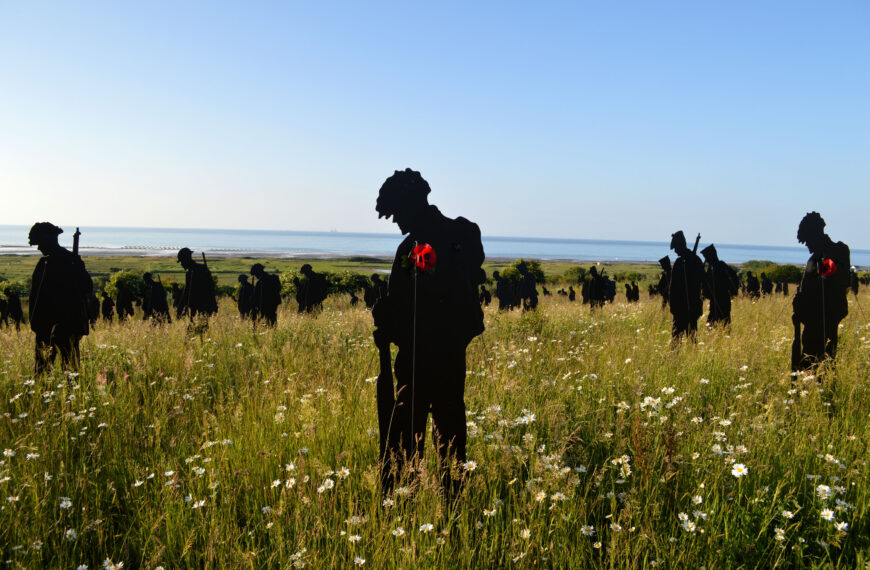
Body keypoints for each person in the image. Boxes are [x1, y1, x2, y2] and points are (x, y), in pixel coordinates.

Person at [371, 168, 485, 500]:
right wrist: (387, 316)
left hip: (435, 358)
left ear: (416, 203)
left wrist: (393, 318)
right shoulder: (420, 245)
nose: (395, 221)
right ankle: (424, 497)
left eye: (398, 212)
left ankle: (442, 500)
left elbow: (431, 295)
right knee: (420, 435)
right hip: (424, 357)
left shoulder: (444, 239)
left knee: (438, 435)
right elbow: (407, 299)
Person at [27, 223, 93, 374]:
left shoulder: (69, 261)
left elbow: (86, 287)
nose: (38, 248)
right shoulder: (46, 263)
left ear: (49, 240)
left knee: (68, 370)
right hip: (45, 326)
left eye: (40, 243)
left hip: (66, 325)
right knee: (44, 371)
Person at [791, 212, 850, 370]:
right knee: (807, 361)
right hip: (809, 321)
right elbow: (805, 289)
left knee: (824, 362)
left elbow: (841, 278)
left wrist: (821, 265)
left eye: (808, 241)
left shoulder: (839, 250)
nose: (808, 246)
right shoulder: (813, 259)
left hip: (827, 318)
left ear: (815, 236)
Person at [668, 231, 704, 341]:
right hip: (679, 307)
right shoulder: (681, 262)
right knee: (676, 339)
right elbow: (673, 288)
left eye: (676, 248)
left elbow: (701, 281)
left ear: (681, 245)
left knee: (691, 338)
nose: (675, 251)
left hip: (691, 305)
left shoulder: (693, 261)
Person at [700, 244, 740, 326]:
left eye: (707, 257)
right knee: (712, 324)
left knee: (724, 323)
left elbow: (734, 279)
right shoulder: (712, 269)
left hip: (723, 300)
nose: (706, 260)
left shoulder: (721, 267)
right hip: (715, 301)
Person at [176, 248, 218, 320]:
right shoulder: (193, 271)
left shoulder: (198, 270)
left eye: (182, 261)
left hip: (202, 307)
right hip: (196, 308)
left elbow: (209, 289)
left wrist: (181, 308)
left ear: (186, 259)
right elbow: (187, 291)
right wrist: (181, 308)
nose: (181, 264)